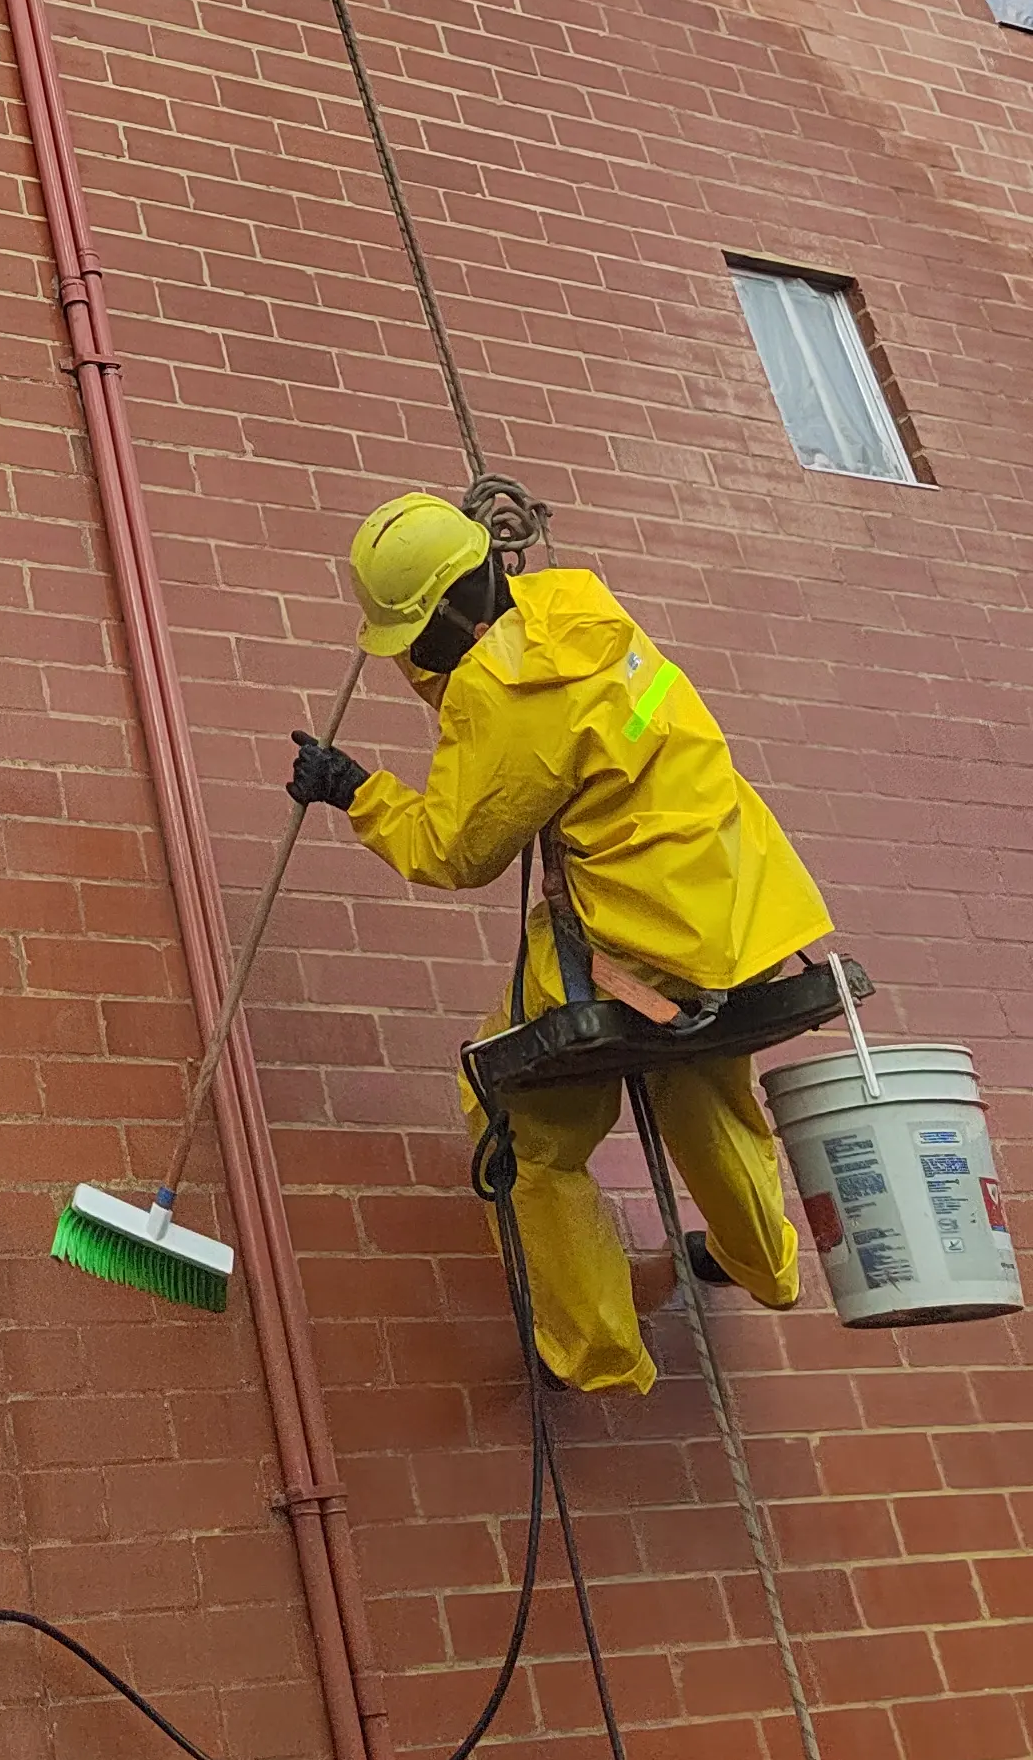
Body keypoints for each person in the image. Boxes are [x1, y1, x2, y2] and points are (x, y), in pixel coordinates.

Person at [289, 493, 834, 1397]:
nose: (414, 659)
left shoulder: (501, 700)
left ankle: (596, 1354)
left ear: (444, 620)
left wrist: (355, 792)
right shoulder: (577, 603)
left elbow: (456, 849)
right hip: (735, 905)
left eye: (415, 638)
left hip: (636, 939)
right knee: (702, 1086)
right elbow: (530, 708)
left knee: (519, 1119)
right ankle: (766, 1264)